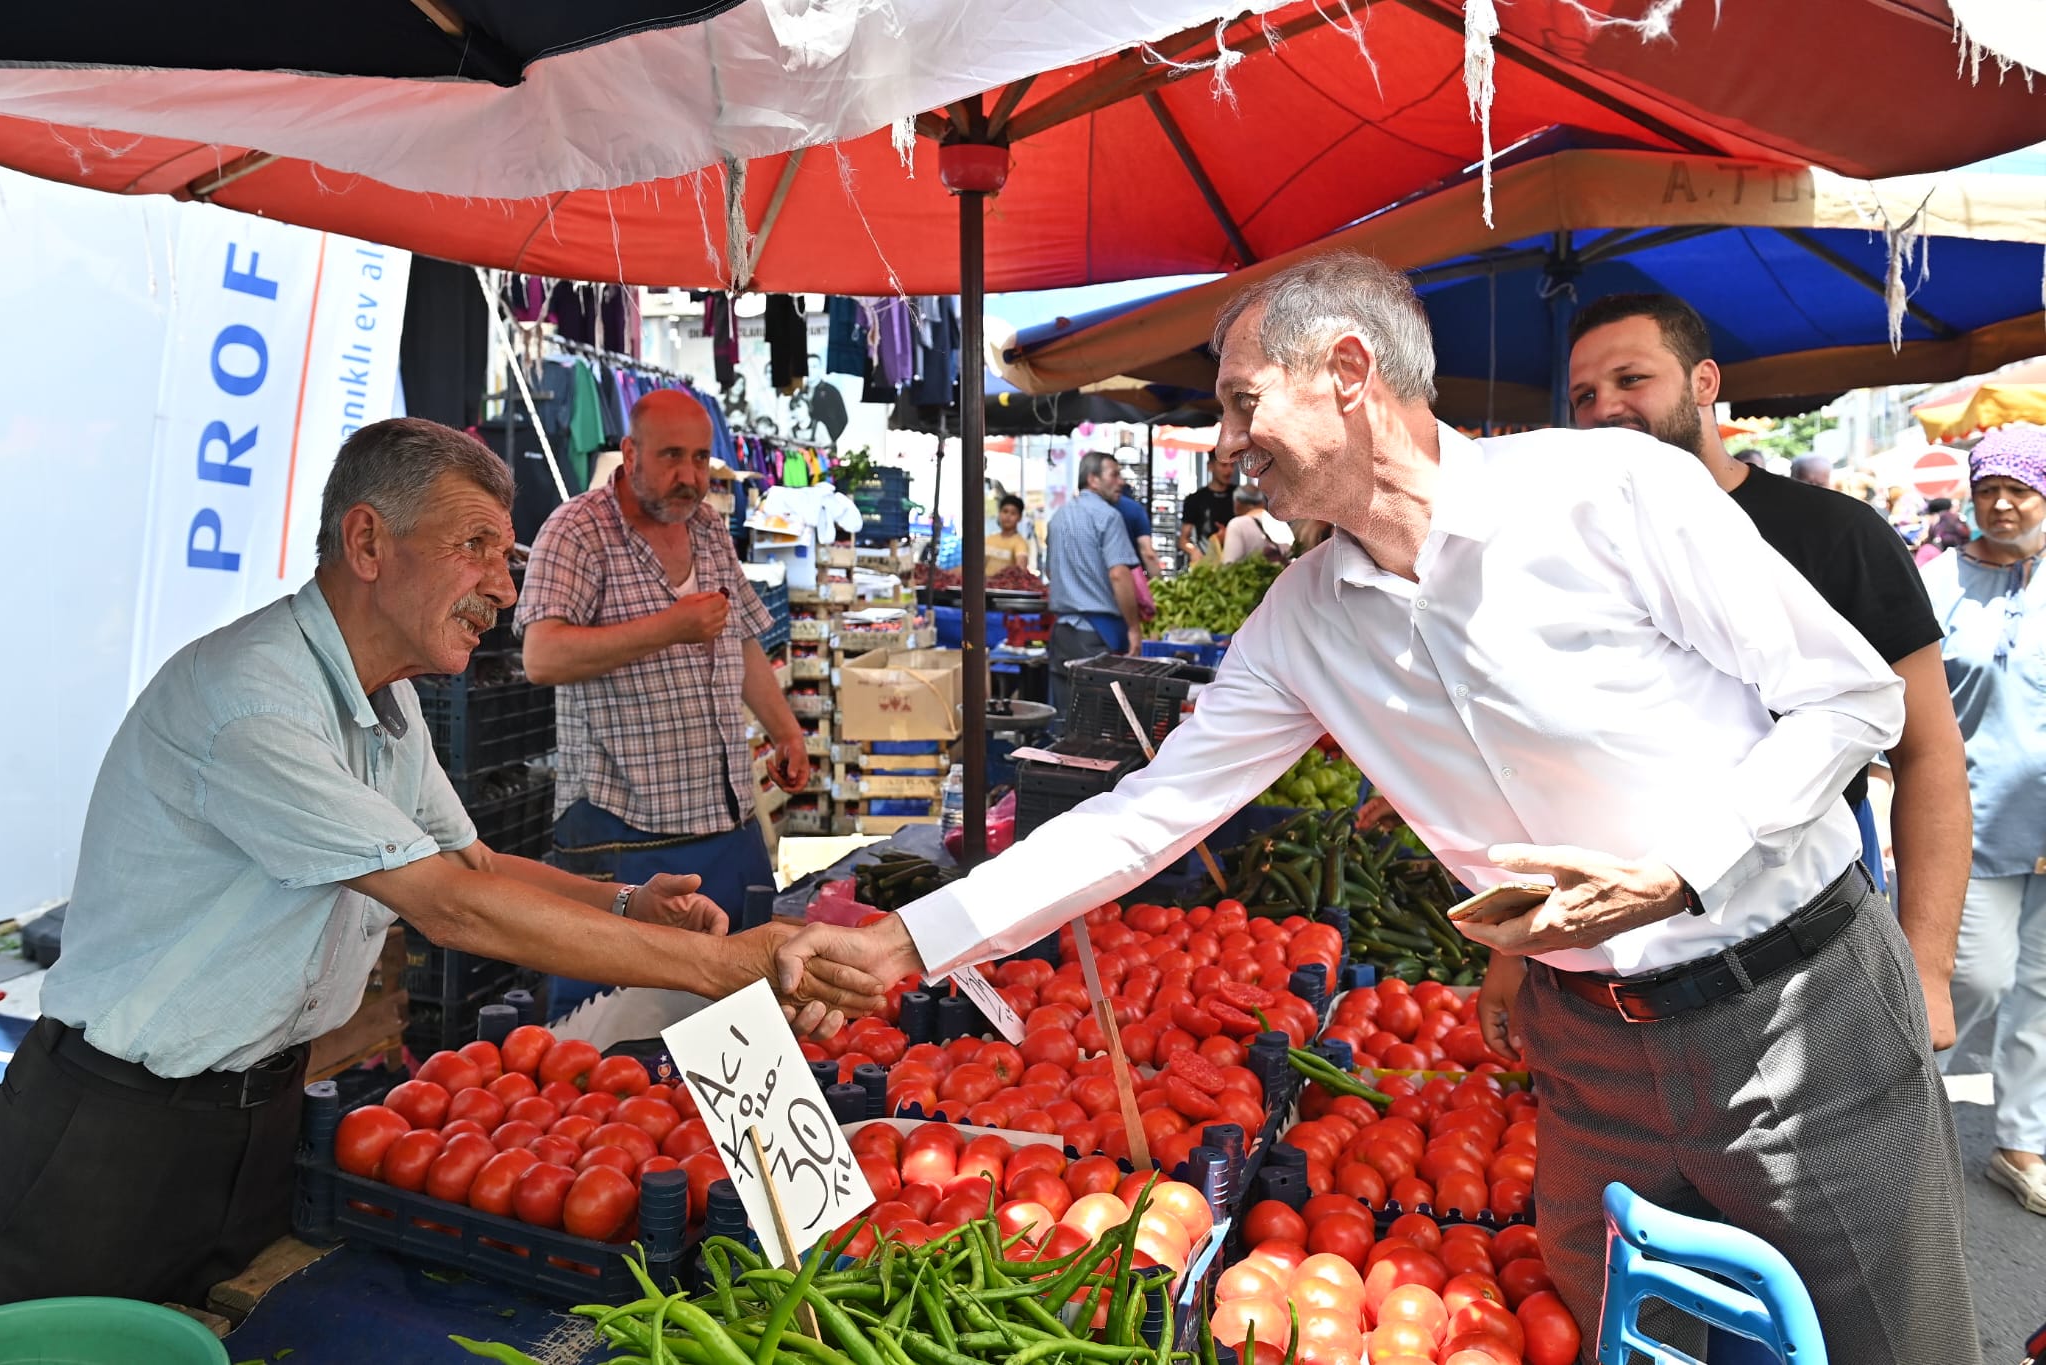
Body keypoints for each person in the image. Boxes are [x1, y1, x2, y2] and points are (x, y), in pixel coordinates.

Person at [780, 252, 1978, 1363]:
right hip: (1585, 1053)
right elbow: (1143, 816)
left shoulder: (1609, 491)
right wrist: (905, 940)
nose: (1224, 442)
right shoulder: (1303, 620)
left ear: (1348, 372)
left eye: (1242, 403)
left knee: (1886, 1338)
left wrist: (1678, 870)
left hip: (1789, 1013)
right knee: (1625, 1334)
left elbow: (1850, 699)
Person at [0, 418, 878, 1308]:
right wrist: (724, 964)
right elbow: (447, 906)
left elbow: (473, 864)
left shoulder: (388, 699)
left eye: (505, 553)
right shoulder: (253, 701)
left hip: (261, 1110)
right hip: (113, 1127)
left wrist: (624, 901)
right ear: (367, 543)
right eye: (475, 547)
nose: (504, 584)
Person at [1566, 292, 1970, 1050]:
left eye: (1631, 379)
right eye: (1584, 394)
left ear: (1704, 382)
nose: (1604, 408)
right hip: (1632, 945)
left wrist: (1928, 968)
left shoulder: (1836, 533)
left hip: (1819, 918)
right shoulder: (1574, 557)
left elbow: (1928, 753)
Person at [520, 390, 812, 1011]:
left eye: (701, 458)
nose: (690, 476)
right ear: (630, 453)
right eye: (672, 456)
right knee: (616, 1027)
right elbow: (542, 656)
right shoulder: (577, 531)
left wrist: (785, 730)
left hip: (728, 821)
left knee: (746, 1007)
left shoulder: (708, 528)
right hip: (623, 830)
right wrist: (668, 627)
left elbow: (740, 640)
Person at [1920, 429, 2046, 1216]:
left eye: (2020, 489)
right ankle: (1903, 1118)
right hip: (1972, 822)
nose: (2002, 503)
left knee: (2041, 991)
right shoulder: (1939, 582)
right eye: (1988, 488)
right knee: (1971, 978)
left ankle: (2021, 1140)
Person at [1042, 451, 1144, 717]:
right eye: (1114, 475)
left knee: (1065, 719)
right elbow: (1119, 574)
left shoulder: (1058, 518)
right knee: (1098, 721)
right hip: (1096, 637)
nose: (1121, 481)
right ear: (1093, 479)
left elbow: (1051, 572)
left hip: (1062, 634)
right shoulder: (1108, 517)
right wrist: (1134, 627)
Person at [1178, 445, 1240, 562]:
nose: (1229, 470)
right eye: (1223, 465)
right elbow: (1183, 540)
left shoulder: (1239, 496)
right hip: (1207, 561)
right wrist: (1193, 551)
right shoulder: (1195, 499)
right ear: (1210, 466)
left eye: (1232, 465)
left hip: (1236, 561)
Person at [1219, 484, 1295, 564]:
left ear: (1237, 503)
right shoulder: (1280, 522)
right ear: (1262, 502)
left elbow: (1229, 565)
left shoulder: (1236, 525)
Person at [985, 494, 1034, 576]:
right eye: (1005, 511)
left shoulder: (1020, 543)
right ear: (999, 513)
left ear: (1020, 517)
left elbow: (1021, 569)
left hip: (1006, 584)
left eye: (1013, 513)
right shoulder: (989, 539)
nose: (1008, 516)